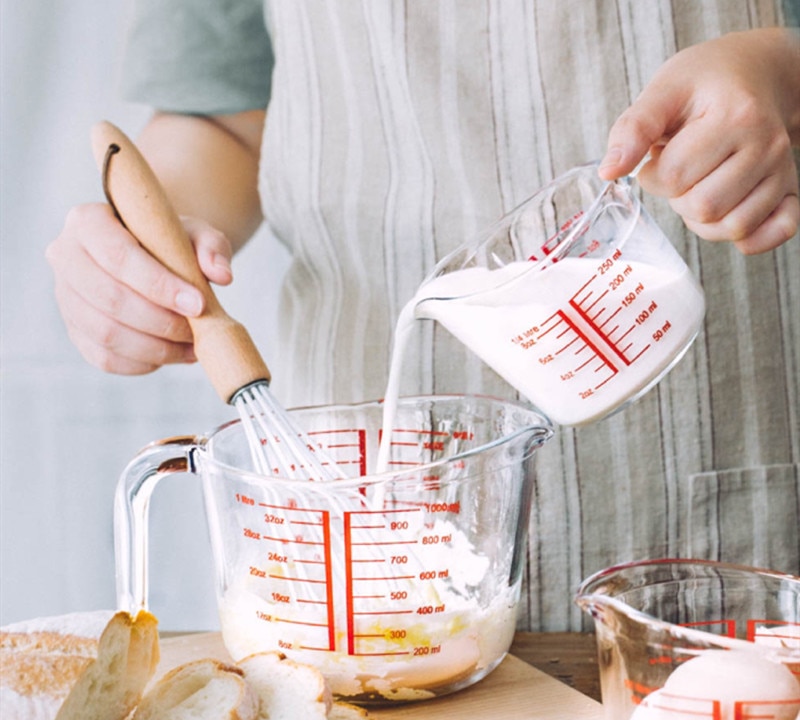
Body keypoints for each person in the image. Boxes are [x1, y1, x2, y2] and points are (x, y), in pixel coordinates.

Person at [46, 1, 799, 631]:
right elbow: (224, 113)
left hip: (735, 468)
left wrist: (783, 76)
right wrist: (149, 255)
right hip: (368, 524)